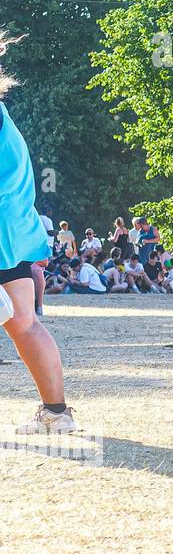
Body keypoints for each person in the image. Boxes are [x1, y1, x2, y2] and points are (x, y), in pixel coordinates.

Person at [0, 44, 77, 434]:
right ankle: (56, 413)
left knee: (23, 323)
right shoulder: (3, 114)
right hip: (11, 232)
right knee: (24, 324)